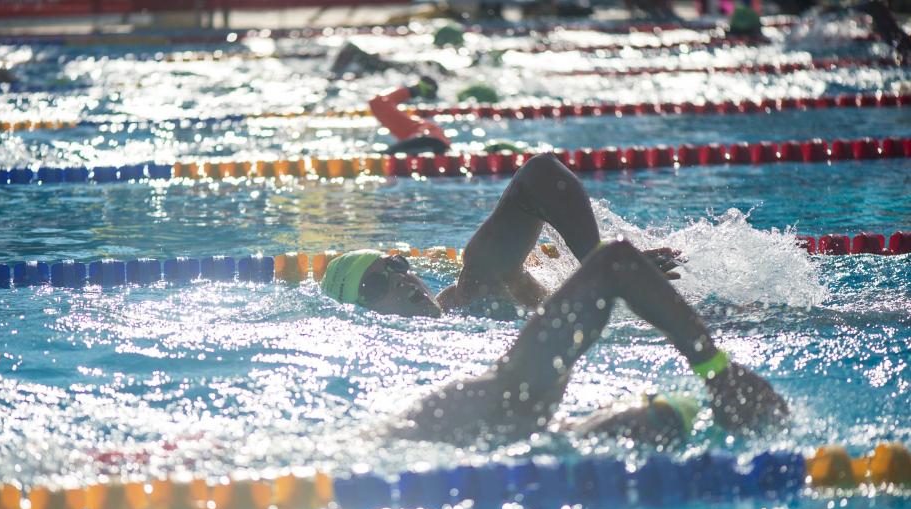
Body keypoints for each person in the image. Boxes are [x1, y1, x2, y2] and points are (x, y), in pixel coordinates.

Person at [320, 153, 789, 446]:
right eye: (375, 285)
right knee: (654, 421)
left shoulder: (478, 285)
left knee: (766, 319)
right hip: (540, 406)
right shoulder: (426, 383)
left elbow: (541, 174)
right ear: (359, 315)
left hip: (642, 332)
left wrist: (592, 259)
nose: (400, 280)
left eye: (396, 264)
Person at [368, 76, 452, 155]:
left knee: (387, 153)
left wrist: (411, 91)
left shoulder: (408, 126)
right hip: (439, 145)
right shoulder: (419, 125)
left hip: (426, 139)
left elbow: (376, 102)